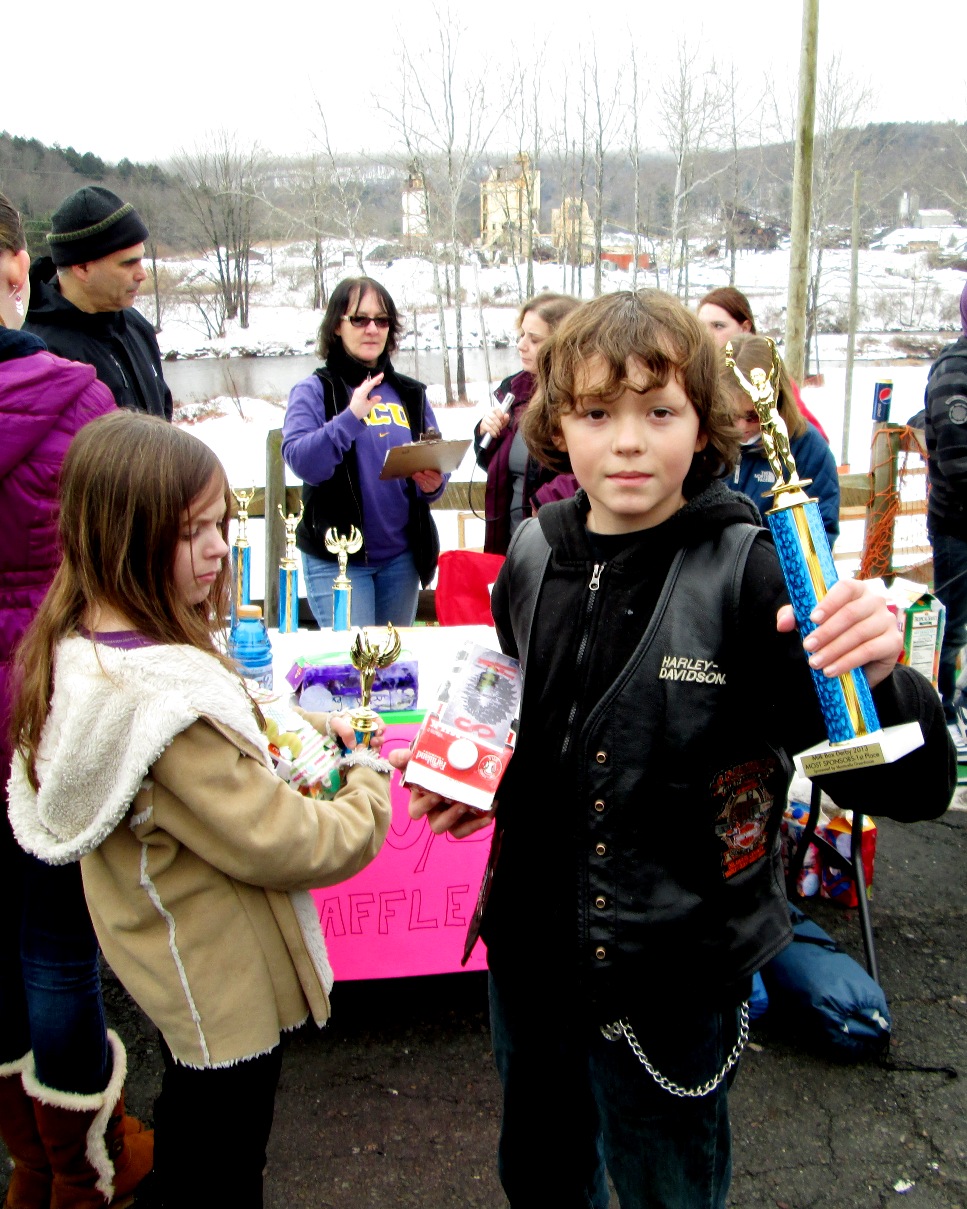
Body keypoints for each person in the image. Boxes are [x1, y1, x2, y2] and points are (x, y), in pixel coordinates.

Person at [401, 291, 954, 1208]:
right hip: (531, 957)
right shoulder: (532, 553)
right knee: (540, 1177)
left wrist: (884, 680)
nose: (627, 442)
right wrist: (477, 779)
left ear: (703, 425)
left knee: (668, 1186)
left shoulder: (752, 573)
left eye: (658, 412)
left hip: (675, 971)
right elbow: (537, 719)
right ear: (557, 424)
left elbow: (911, 785)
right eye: (596, 412)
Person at [7, 411, 393, 1207]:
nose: (220, 547)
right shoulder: (169, 713)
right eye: (194, 531)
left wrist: (302, 726)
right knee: (221, 1164)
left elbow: (229, 720)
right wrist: (366, 778)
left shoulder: (93, 650)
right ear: (125, 536)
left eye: (222, 524)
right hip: (222, 988)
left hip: (176, 967)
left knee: (193, 1130)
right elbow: (287, 840)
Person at [0, 193, 154, 1209]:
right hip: (46, 697)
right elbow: (127, 549)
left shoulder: (104, 359)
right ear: (21, 266)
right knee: (57, 948)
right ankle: (82, 1172)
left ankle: (31, 1161)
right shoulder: (73, 393)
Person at [281, 277, 446, 628]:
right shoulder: (315, 390)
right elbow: (303, 462)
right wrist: (351, 417)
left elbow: (433, 462)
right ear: (336, 326)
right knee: (352, 658)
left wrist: (433, 483)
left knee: (392, 657)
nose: (372, 329)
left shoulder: (410, 393)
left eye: (381, 320)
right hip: (338, 559)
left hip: (401, 559)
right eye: (359, 319)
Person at [24, 186, 172, 420]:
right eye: (128, 263)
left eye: (141, 259)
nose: (142, 274)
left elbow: (163, 414)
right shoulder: (37, 354)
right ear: (83, 267)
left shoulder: (136, 325)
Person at [473, 293, 581, 553]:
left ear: (563, 342)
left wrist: (547, 500)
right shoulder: (515, 390)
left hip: (560, 541)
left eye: (534, 339)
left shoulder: (584, 397)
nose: (521, 345)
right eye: (521, 335)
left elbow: (599, 467)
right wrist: (486, 435)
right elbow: (498, 467)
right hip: (512, 540)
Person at [720, 333, 840, 543]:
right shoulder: (703, 442)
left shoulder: (807, 447)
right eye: (730, 415)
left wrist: (764, 561)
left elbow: (818, 537)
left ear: (778, 402)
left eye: (753, 415)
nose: (741, 427)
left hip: (774, 561)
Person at [697, 286, 829, 442]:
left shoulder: (768, 376)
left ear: (745, 328)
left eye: (718, 326)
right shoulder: (694, 376)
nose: (707, 334)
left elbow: (812, 438)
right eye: (701, 327)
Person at [924, 279, 967, 750]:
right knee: (950, 626)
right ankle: (943, 711)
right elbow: (957, 461)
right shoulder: (956, 372)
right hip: (958, 525)